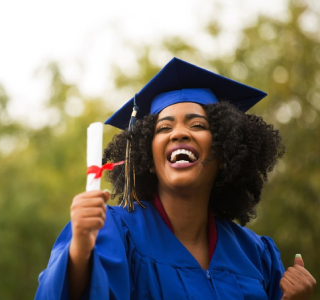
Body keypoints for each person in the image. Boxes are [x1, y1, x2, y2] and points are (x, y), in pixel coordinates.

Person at [35, 58, 316, 300]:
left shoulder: (257, 255)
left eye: (197, 125)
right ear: (148, 157)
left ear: (226, 151)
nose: (178, 133)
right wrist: (80, 251)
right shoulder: (113, 231)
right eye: (164, 127)